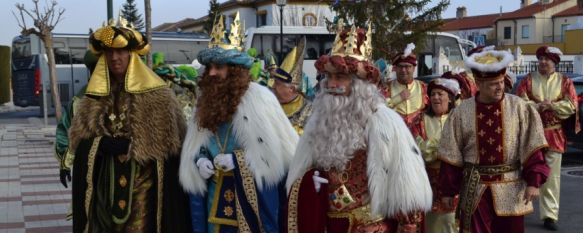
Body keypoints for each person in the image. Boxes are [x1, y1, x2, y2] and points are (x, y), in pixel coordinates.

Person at [285, 23, 432, 233]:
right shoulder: (319, 120)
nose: (332, 84)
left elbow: (405, 180)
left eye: (340, 77)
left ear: (359, 84)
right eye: (329, 77)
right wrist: (310, 181)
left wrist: (407, 222)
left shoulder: (383, 121)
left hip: (372, 225)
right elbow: (301, 171)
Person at [67, 17, 192, 232]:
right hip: (104, 193)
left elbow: (171, 149)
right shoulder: (93, 99)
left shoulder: (159, 96)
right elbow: (80, 143)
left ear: (131, 54)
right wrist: (99, 144)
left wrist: (137, 146)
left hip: (145, 191)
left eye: (121, 51)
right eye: (109, 52)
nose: (115, 57)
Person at [179, 13, 298, 233]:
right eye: (210, 67)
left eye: (219, 67)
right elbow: (198, 146)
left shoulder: (260, 99)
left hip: (250, 208)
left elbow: (281, 157)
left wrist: (239, 161)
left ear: (234, 70)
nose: (212, 72)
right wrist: (200, 160)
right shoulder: (204, 103)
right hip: (214, 203)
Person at [438, 49, 550, 233]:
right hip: (475, 191)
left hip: (511, 188)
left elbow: (533, 146)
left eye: (501, 82)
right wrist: (448, 191)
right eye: (493, 84)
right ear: (479, 83)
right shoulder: (461, 113)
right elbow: (451, 153)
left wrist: (533, 181)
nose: (500, 88)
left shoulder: (520, 108)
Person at [516, 46, 579, 231]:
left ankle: (550, 215)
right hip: (531, 133)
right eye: (541, 58)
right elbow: (519, 101)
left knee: (551, 177)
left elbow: (572, 105)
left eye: (547, 59)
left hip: (554, 133)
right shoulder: (528, 80)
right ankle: (517, 208)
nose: (543, 62)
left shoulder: (565, 81)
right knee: (525, 173)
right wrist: (536, 106)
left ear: (555, 62)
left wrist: (552, 106)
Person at [411, 77, 461, 233]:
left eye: (440, 94)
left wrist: (433, 146)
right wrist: (445, 146)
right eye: (432, 94)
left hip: (457, 180)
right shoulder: (419, 120)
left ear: (450, 99)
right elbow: (419, 150)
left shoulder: (459, 119)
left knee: (454, 222)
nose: (436, 98)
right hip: (429, 181)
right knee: (432, 223)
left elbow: (465, 149)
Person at [271, 37, 313, 135]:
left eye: (277, 83)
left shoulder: (311, 112)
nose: (272, 86)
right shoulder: (270, 107)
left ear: (292, 89)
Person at [384, 43, 428, 130]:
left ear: (414, 68)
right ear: (395, 68)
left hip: (420, 139)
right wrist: (397, 99)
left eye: (407, 66)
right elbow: (379, 110)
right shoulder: (386, 88)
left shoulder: (424, 87)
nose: (403, 70)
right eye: (400, 67)